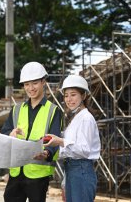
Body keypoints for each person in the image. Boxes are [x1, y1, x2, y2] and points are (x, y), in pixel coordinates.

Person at [1, 61, 62, 202]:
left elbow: (55, 139)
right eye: (27, 84)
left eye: (34, 83)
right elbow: (5, 132)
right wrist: (10, 134)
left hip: (38, 175)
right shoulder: (16, 110)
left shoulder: (53, 110)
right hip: (16, 172)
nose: (30, 88)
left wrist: (47, 153)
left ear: (43, 82)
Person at [44, 74, 101, 202]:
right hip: (71, 169)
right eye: (66, 95)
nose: (69, 99)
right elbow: (70, 148)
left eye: (73, 94)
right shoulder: (76, 118)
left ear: (84, 95)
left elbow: (84, 150)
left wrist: (60, 141)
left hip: (81, 170)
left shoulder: (86, 118)